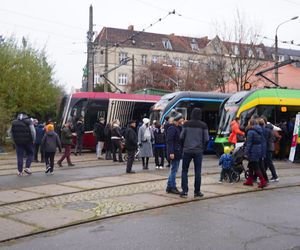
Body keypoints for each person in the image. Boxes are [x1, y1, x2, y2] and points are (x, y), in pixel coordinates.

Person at [180, 108, 209, 198]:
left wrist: (183, 146)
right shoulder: (203, 125)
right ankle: (197, 191)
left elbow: (181, 137)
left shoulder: (186, 124)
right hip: (198, 151)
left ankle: (184, 191)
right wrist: (203, 148)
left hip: (187, 150)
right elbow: (206, 139)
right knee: (198, 171)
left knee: (184, 170)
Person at [243, 119, 268, 188]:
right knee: (251, 166)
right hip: (258, 149)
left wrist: (246, 152)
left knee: (255, 166)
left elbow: (249, 143)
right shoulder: (259, 130)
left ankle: (263, 181)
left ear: (251, 124)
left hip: (253, 150)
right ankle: (249, 180)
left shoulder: (250, 132)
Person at [166, 113, 183, 194]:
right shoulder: (172, 128)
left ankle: (169, 186)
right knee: (174, 170)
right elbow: (170, 141)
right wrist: (171, 152)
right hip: (174, 152)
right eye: (181, 118)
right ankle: (172, 186)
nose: (182, 120)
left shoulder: (178, 128)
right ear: (178, 120)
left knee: (174, 169)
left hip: (178, 151)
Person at [261, 116, 279, 182]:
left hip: (268, 148)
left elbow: (266, 139)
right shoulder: (270, 129)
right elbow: (274, 138)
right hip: (270, 147)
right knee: (266, 163)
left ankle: (275, 176)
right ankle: (263, 176)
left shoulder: (267, 129)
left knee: (269, 162)